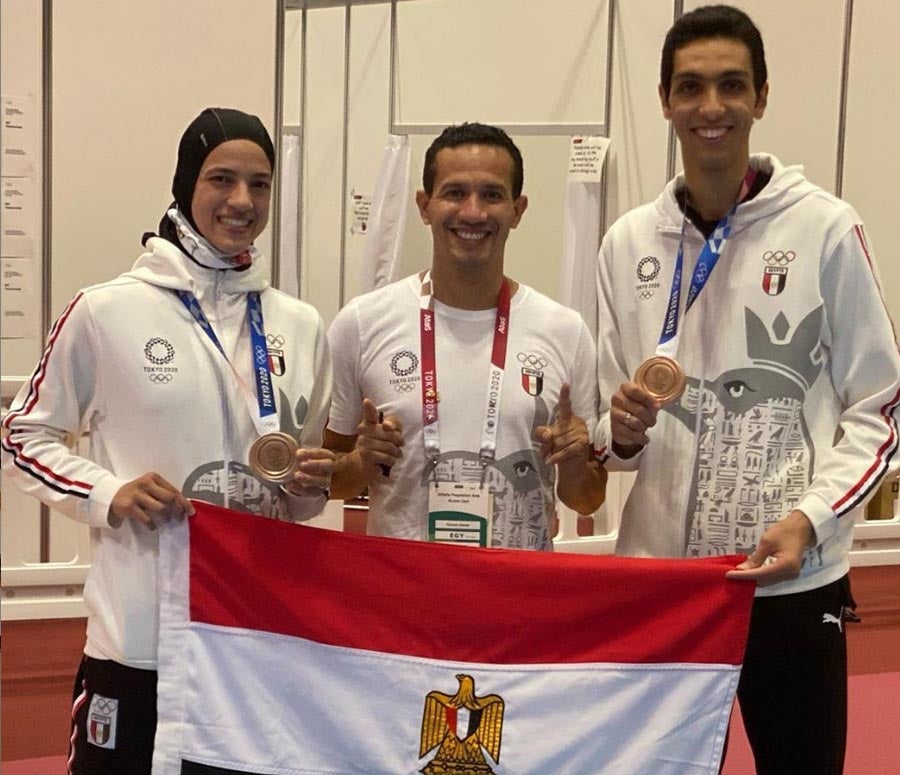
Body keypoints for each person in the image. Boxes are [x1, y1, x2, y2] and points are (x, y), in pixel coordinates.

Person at [594, 6, 900, 774]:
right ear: (664, 100)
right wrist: (622, 429)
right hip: (663, 589)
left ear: (761, 97)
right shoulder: (628, 240)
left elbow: (881, 403)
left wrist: (812, 517)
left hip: (790, 582)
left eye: (732, 85)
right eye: (690, 87)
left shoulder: (825, 228)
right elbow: (611, 437)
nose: (711, 107)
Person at [1, 107, 334, 774]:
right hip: (138, 642)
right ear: (186, 184)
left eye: (260, 184)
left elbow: (302, 505)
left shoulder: (300, 324)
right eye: (223, 179)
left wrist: (308, 482)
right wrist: (107, 489)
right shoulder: (106, 309)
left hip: (252, 641)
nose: (242, 201)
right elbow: (20, 434)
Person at [326, 122, 606, 550]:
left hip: (517, 600)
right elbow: (331, 482)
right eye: (454, 193)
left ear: (517, 209)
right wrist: (363, 462)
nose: (473, 212)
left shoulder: (565, 331)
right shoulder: (362, 323)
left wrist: (571, 464)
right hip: (405, 600)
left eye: (492, 195)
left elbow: (586, 498)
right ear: (424, 205)